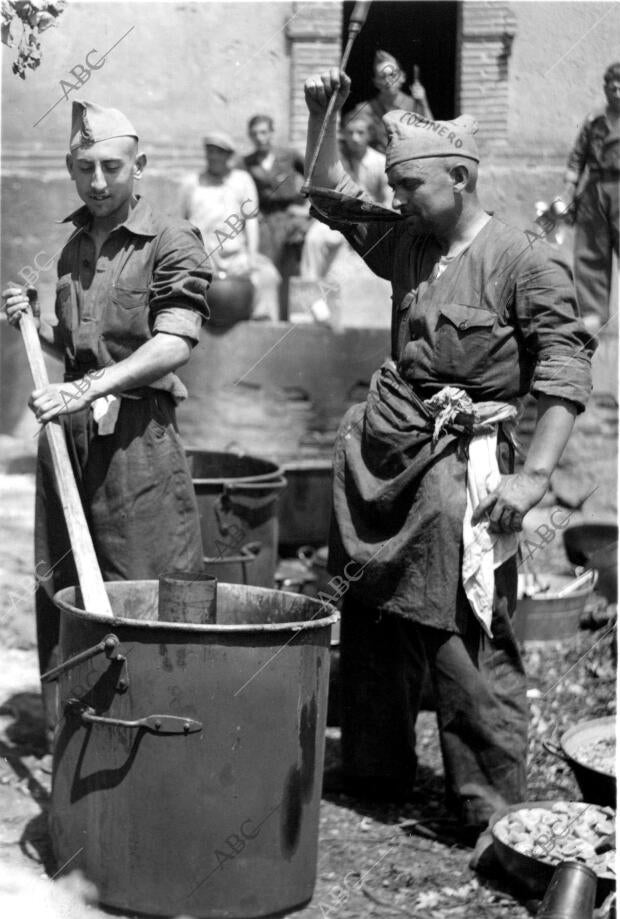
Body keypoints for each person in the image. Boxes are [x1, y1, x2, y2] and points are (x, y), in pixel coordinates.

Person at [303, 69, 594, 838]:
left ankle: (488, 804)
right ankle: (375, 768)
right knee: (370, 606)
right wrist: (322, 113)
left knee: (464, 624)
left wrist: (533, 478)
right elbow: (330, 194)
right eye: (394, 186)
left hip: (467, 465)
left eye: (410, 185)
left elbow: (565, 367)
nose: (396, 200)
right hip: (384, 453)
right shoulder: (407, 241)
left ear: (460, 178)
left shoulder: (525, 261)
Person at [3, 101, 210, 736]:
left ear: (139, 167)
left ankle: (163, 727)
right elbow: (75, 349)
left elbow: (174, 342)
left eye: (112, 168)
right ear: (70, 168)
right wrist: (28, 323)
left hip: (138, 442)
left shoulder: (173, 241)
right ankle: (76, 729)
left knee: (149, 583)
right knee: (62, 584)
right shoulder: (71, 251)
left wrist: (87, 386)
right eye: (85, 167)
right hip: (70, 440)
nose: (98, 182)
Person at [181, 131, 279, 320]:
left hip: (235, 255)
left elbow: (251, 220)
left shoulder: (242, 180)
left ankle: (262, 325)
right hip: (201, 255)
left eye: (220, 152)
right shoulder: (191, 183)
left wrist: (251, 256)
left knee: (267, 276)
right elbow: (179, 224)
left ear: (229, 156)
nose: (214, 157)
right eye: (210, 151)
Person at [555, 62, 620, 334]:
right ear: (605, 88)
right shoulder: (594, 120)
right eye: (612, 85)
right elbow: (578, 155)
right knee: (590, 252)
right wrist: (569, 188)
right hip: (594, 189)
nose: (617, 90)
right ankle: (593, 314)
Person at [300, 104, 390, 282]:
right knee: (314, 237)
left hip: (371, 220)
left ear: (369, 135)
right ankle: (309, 291)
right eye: (350, 133)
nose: (355, 138)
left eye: (360, 133)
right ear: (344, 134)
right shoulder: (338, 162)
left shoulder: (380, 162)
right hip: (340, 217)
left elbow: (388, 199)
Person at [243, 115, 309, 318]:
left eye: (263, 132)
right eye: (254, 134)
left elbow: (316, 175)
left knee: (294, 270)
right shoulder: (247, 162)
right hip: (265, 220)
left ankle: (295, 316)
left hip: (291, 218)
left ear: (272, 133)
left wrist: (308, 207)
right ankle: (270, 318)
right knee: (267, 271)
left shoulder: (288, 155)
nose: (260, 138)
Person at [361, 50, 433, 154]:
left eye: (392, 75)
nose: (388, 80)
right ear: (376, 82)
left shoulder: (414, 105)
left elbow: (433, 135)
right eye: (382, 76)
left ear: (402, 77)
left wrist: (423, 102)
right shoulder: (366, 109)